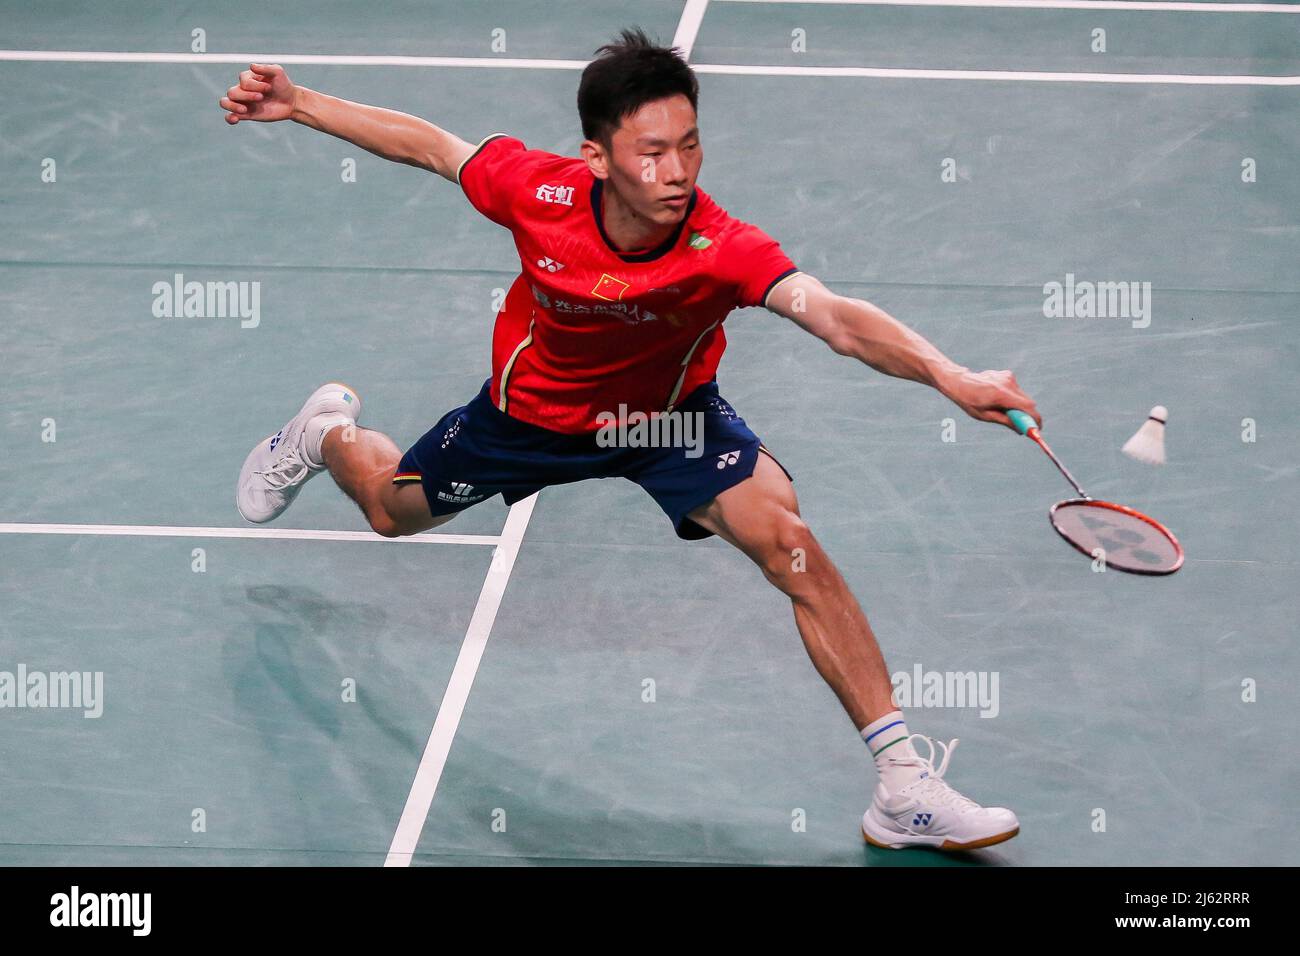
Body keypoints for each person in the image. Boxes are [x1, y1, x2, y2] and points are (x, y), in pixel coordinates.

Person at [222, 28, 1041, 851]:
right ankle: (324, 432)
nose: (678, 171)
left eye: (690, 145)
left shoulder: (721, 248)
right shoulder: (539, 194)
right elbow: (436, 148)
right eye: (652, 152)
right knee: (386, 509)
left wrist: (949, 373)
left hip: (666, 423)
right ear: (598, 157)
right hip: (528, 422)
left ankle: (902, 787)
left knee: (791, 543)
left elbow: (835, 318)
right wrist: (302, 106)